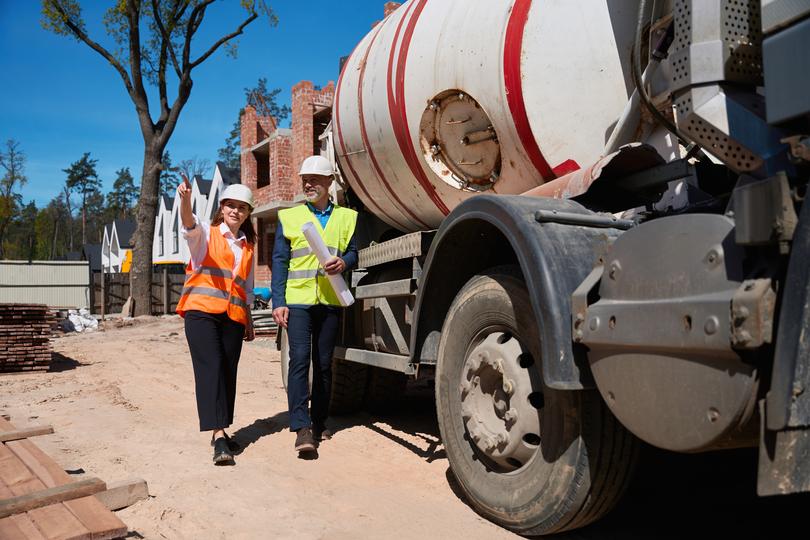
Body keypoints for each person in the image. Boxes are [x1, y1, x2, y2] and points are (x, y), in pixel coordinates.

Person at [272, 155, 358, 454]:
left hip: (330, 300)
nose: (308, 183)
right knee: (299, 361)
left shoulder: (347, 217)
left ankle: (319, 421)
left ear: (329, 182)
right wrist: (279, 301)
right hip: (298, 301)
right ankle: (301, 427)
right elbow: (280, 262)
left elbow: (354, 252)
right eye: (304, 179)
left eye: (315, 179)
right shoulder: (290, 217)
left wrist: (344, 263)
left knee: (323, 365)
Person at [175, 175, 256, 465]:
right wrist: (185, 201)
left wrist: (248, 320)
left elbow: (245, 288)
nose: (235, 211)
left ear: (248, 214)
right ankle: (218, 435)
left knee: (227, 372)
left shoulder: (247, 247)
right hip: (201, 312)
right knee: (210, 369)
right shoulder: (206, 235)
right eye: (230, 206)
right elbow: (189, 224)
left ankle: (222, 427)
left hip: (232, 317)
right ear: (221, 208)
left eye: (242, 208)